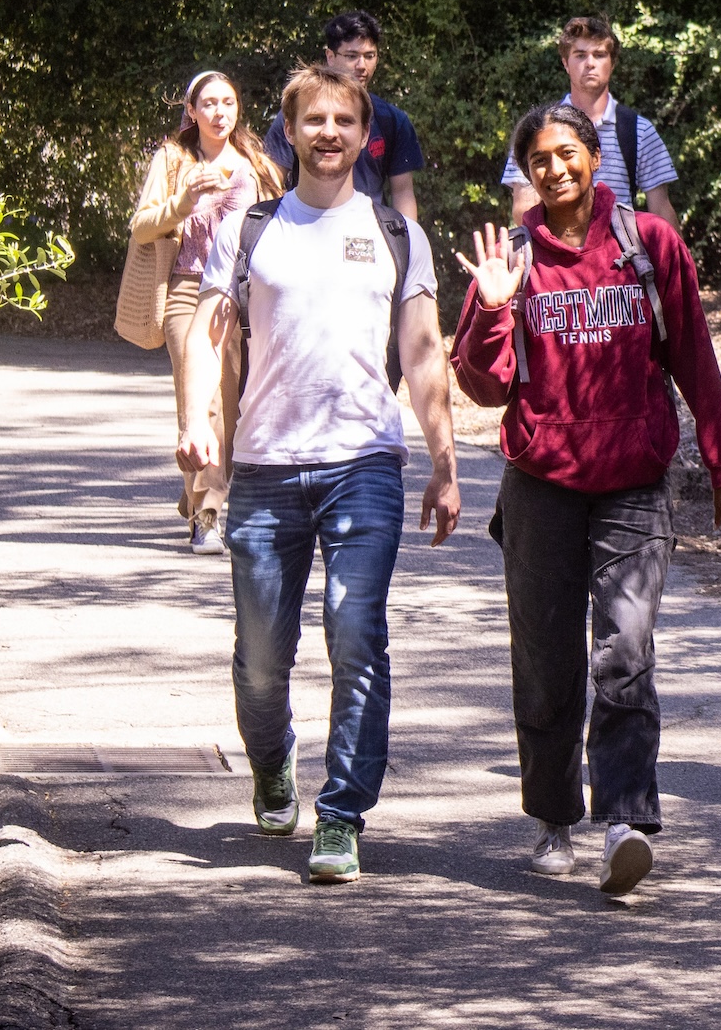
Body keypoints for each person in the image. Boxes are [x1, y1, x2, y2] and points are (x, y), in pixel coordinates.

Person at [453, 101, 721, 895]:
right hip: (541, 485)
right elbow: (482, 385)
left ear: (593, 157)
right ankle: (554, 815)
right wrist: (490, 303)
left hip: (635, 480)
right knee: (547, 662)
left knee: (625, 649)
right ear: (527, 173)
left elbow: (695, 359)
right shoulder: (514, 257)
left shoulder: (650, 244)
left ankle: (624, 816)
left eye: (567, 152)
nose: (555, 169)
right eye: (538, 160)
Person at [178, 64, 461, 884]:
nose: (329, 132)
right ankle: (273, 759)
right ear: (290, 131)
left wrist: (444, 462)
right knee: (263, 658)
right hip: (266, 464)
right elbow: (205, 329)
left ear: (364, 133)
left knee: (355, 631)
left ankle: (341, 814)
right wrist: (198, 419)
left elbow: (421, 352)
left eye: (344, 119)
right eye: (314, 120)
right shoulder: (254, 228)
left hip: (365, 463)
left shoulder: (396, 232)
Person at [129, 71, 286, 554]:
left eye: (228, 102)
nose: (220, 112)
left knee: (236, 404)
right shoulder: (174, 160)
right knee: (203, 400)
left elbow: (279, 228)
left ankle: (196, 493)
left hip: (239, 294)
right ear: (191, 111)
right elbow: (141, 227)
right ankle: (208, 513)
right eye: (209, 104)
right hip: (186, 288)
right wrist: (183, 202)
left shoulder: (258, 166)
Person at [501, 15, 680, 229]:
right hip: (556, 256)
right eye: (580, 55)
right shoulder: (537, 131)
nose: (590, 64)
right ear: (565, 63)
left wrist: (674, 261)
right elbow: (524, 207)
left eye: (599, 55)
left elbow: (661, 210)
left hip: (620, 257)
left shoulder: (638, 131)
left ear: (612, 63)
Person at [263, 10, 427, 219]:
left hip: (369, 233)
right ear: (330, 57)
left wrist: (406, 244)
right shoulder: (298, 116)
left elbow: (403, 192)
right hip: (303, 224)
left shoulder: (393, 120)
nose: (362, 66)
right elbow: (270, 181)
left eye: (369, 56)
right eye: (351, 56)